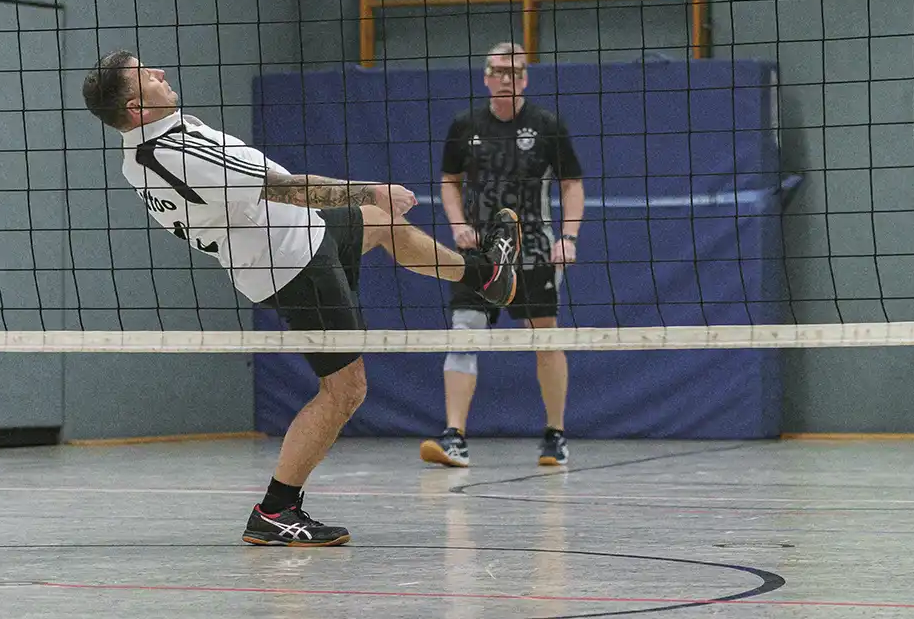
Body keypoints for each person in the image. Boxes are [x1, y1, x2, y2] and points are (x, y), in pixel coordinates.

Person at [81, 50, 522, 545]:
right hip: (292, 264)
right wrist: (369, 190)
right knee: (346, 390)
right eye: (147, 75)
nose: (160, 72)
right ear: (137, 107)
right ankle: (275, 510)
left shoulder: (144, 148)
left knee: (384, 227)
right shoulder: (180, 153)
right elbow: (288, 190)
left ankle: (486, 277)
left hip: (297, 238)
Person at [422, 41, 586, 469]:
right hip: (479, 249)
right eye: (497, 71)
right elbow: (449, 181)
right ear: (486, 76)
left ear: (524, 78)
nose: (505, 79)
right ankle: (453, 436)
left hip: (533, 247)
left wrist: (568, 237)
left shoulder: (547, 126)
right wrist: (458, 225)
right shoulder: (465, 125)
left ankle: (555, 435)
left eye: (513, 72)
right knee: (465, 331)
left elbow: (571, 183)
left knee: (544, 337)